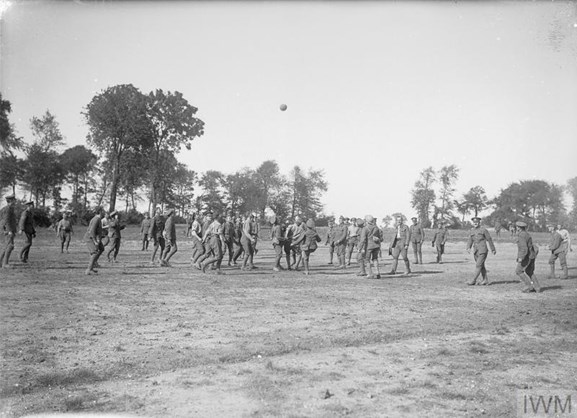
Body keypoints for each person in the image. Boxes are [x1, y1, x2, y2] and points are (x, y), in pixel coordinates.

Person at [466, 216, 496, 285]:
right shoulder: (471, 231)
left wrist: (493, 249)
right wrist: (468, 247)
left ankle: (473, 280)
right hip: (475, 251)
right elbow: (470, 240)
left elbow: (489, 239)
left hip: (483, 250)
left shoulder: (484, 230)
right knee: (481, 265)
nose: (475, 223)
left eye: (477, 222)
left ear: (479, 222)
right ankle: (485, 280)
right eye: (474, 222)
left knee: (478, 265)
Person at [515, 221, 541, 293]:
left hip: (526, 256)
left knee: (519, 271)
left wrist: (521, 257)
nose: (516, 228)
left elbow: (524, 248)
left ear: (519, 228)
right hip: (531, 255)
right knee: (529, 271)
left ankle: (528, 286)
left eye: (517, 227)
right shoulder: (527, 234)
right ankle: (537, 287)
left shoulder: (521, 235)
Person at [84, 206, 105, 275]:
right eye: (103, 211)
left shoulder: (99, 219)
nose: (104, 212)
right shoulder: (96, 219)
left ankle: (93, 264)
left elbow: (97, 230)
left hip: (95, 237)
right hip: (90, 238)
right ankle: (89, 269)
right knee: (94, 252)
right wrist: (95, 241)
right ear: (100, 212)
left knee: (101, 248)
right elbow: (92, 231)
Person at [0, 195, 17, 268]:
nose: (15, 202)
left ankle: (1, 262)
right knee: (10, 246)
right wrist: (9, 230)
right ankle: (5, 264)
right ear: (10, 201)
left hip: (6, 229)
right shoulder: (8, 209)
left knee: (6, 246)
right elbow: (7, 220)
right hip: (7, 230)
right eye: (14, 200)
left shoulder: (7, 208)